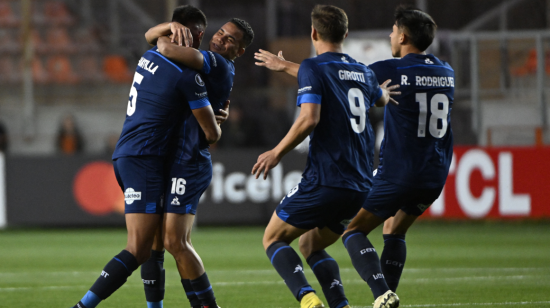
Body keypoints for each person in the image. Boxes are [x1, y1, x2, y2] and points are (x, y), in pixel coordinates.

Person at [256, 5, 453, 307]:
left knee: (280, 238)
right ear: (346, 34)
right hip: (404, 177)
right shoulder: (442, 71)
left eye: (392, 30)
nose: (389, 34)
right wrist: (382, 95)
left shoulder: (388, 68)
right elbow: (369, 90)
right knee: (320, 243)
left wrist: (286, 68)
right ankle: (354, 301)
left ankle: (315, 297)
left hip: (357, 175)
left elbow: (324, 94)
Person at [70, 7, 222, 308]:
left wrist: (164, 28)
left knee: (154, 244)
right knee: (138, 248)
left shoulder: (150, 55)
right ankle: (82, 306)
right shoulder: (187, 75)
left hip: (131, 154)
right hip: (144, 159)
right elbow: (211, 133)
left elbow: (151, 36)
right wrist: (219, 117)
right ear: (199, 35)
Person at [139, 8, 254, 308]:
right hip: (172, 158)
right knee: (158, 241)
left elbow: (160, 45)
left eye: (231, 40)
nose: (221, 39)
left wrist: (170, 30)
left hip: (188, 161)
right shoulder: (207, 65)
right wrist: (171, 25)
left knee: (175, 242)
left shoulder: (216, 62)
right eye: (221, 32)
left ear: (239, 52)